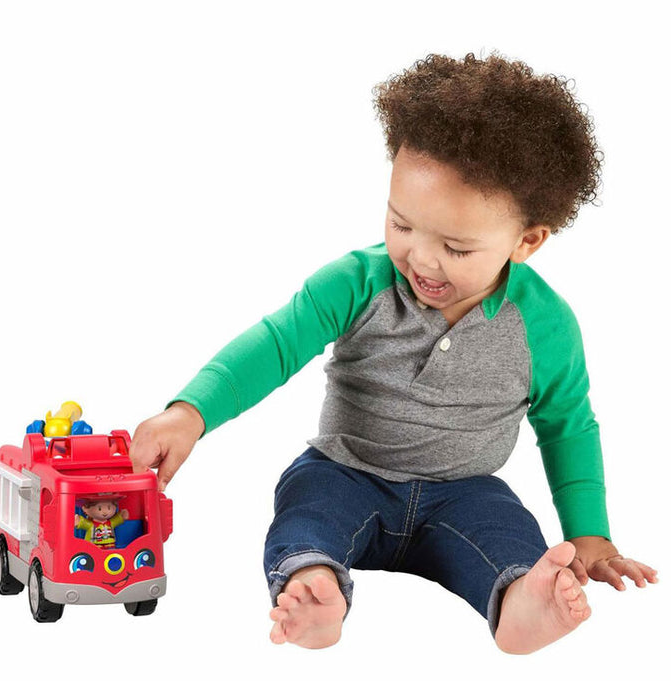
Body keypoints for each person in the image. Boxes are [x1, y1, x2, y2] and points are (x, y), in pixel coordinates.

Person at [129, 52, 657, 653]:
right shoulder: (359, 282)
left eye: (456, 248)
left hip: (465, 489)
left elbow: (567, 426)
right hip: (346, 470)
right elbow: (275, 345)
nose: (422, 260)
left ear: (526, 241)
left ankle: (518, 604)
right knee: (305, 512)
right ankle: (315, 585)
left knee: (510, 534)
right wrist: (190, 412)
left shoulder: (545, 325)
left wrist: (591, 536)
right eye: (402, 224)